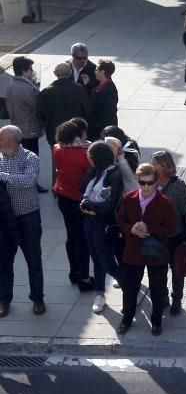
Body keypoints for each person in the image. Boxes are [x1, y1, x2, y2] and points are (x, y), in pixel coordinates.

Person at [115, 163, 176, 336]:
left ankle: (156, 321)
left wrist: (149, 227)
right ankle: (127, 319)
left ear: (156, 182)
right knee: (130, 288)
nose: (146, 187)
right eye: (143, 183)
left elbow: (171, 227)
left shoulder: (164, 202)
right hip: (133, 252)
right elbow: (121, 220)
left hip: (156, 253)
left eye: (150, 183)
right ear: (137, 180)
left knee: (157, 289)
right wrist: (130, 230)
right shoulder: (129, 198)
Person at [0, 125, 45, 317]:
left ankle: (37, 298)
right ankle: (3, 299)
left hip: (28, 217)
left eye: (1, 140)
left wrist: (3, 176)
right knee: (3, 261)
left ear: (11, 142)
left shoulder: (30, 158)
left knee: (33, 260)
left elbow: (28, 180)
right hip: (4, 219)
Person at [79, 140, 124, 314]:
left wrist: (91, 205)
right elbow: (82, 187)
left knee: (107, 262)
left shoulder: (114, 174)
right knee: (96, 259)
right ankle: (100, 294)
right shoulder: (96, 171)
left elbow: (110, 204)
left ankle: (129, 289)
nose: (88, 159)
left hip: (103, 223)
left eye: (90, 156)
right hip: (89, 221)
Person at [52, 120, 93, 290]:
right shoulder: (84, 154)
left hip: (63, 195)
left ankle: (74, 273)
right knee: (83, 239)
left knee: (71, 236)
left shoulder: (56, 149)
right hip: (80, 199)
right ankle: (84, 278)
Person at [151, 151, 186, 316]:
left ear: (166, 166)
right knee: (159, 271)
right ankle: (163, 297)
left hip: (175, 236)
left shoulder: (179, 186)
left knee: (177, 270)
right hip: (157, 237)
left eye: (156, 164)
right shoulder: (150, 183)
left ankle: (177, 299)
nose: (152, 167)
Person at [36, 63, 91, 148]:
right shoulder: (79, 89)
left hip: (55, 134)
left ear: (55, 73)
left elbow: (40, 114)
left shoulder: (46, 92)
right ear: (70, 73)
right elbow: (87, 110)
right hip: (76, 134)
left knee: (58, 158)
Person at [5, 56, 41, 158]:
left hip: (17, 128)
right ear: (23, 71)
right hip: (29, 131)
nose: (32, 71)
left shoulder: (12, 83)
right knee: (31, 160)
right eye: (30, 68)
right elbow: (37, 107)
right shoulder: (27, 88)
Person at [88, 59, 118, 141]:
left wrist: (102, 130)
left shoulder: (108, 90)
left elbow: (108, 112)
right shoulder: (101, 85)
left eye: (97, 70)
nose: (95, 72)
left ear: (103, 72)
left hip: (101, 130)